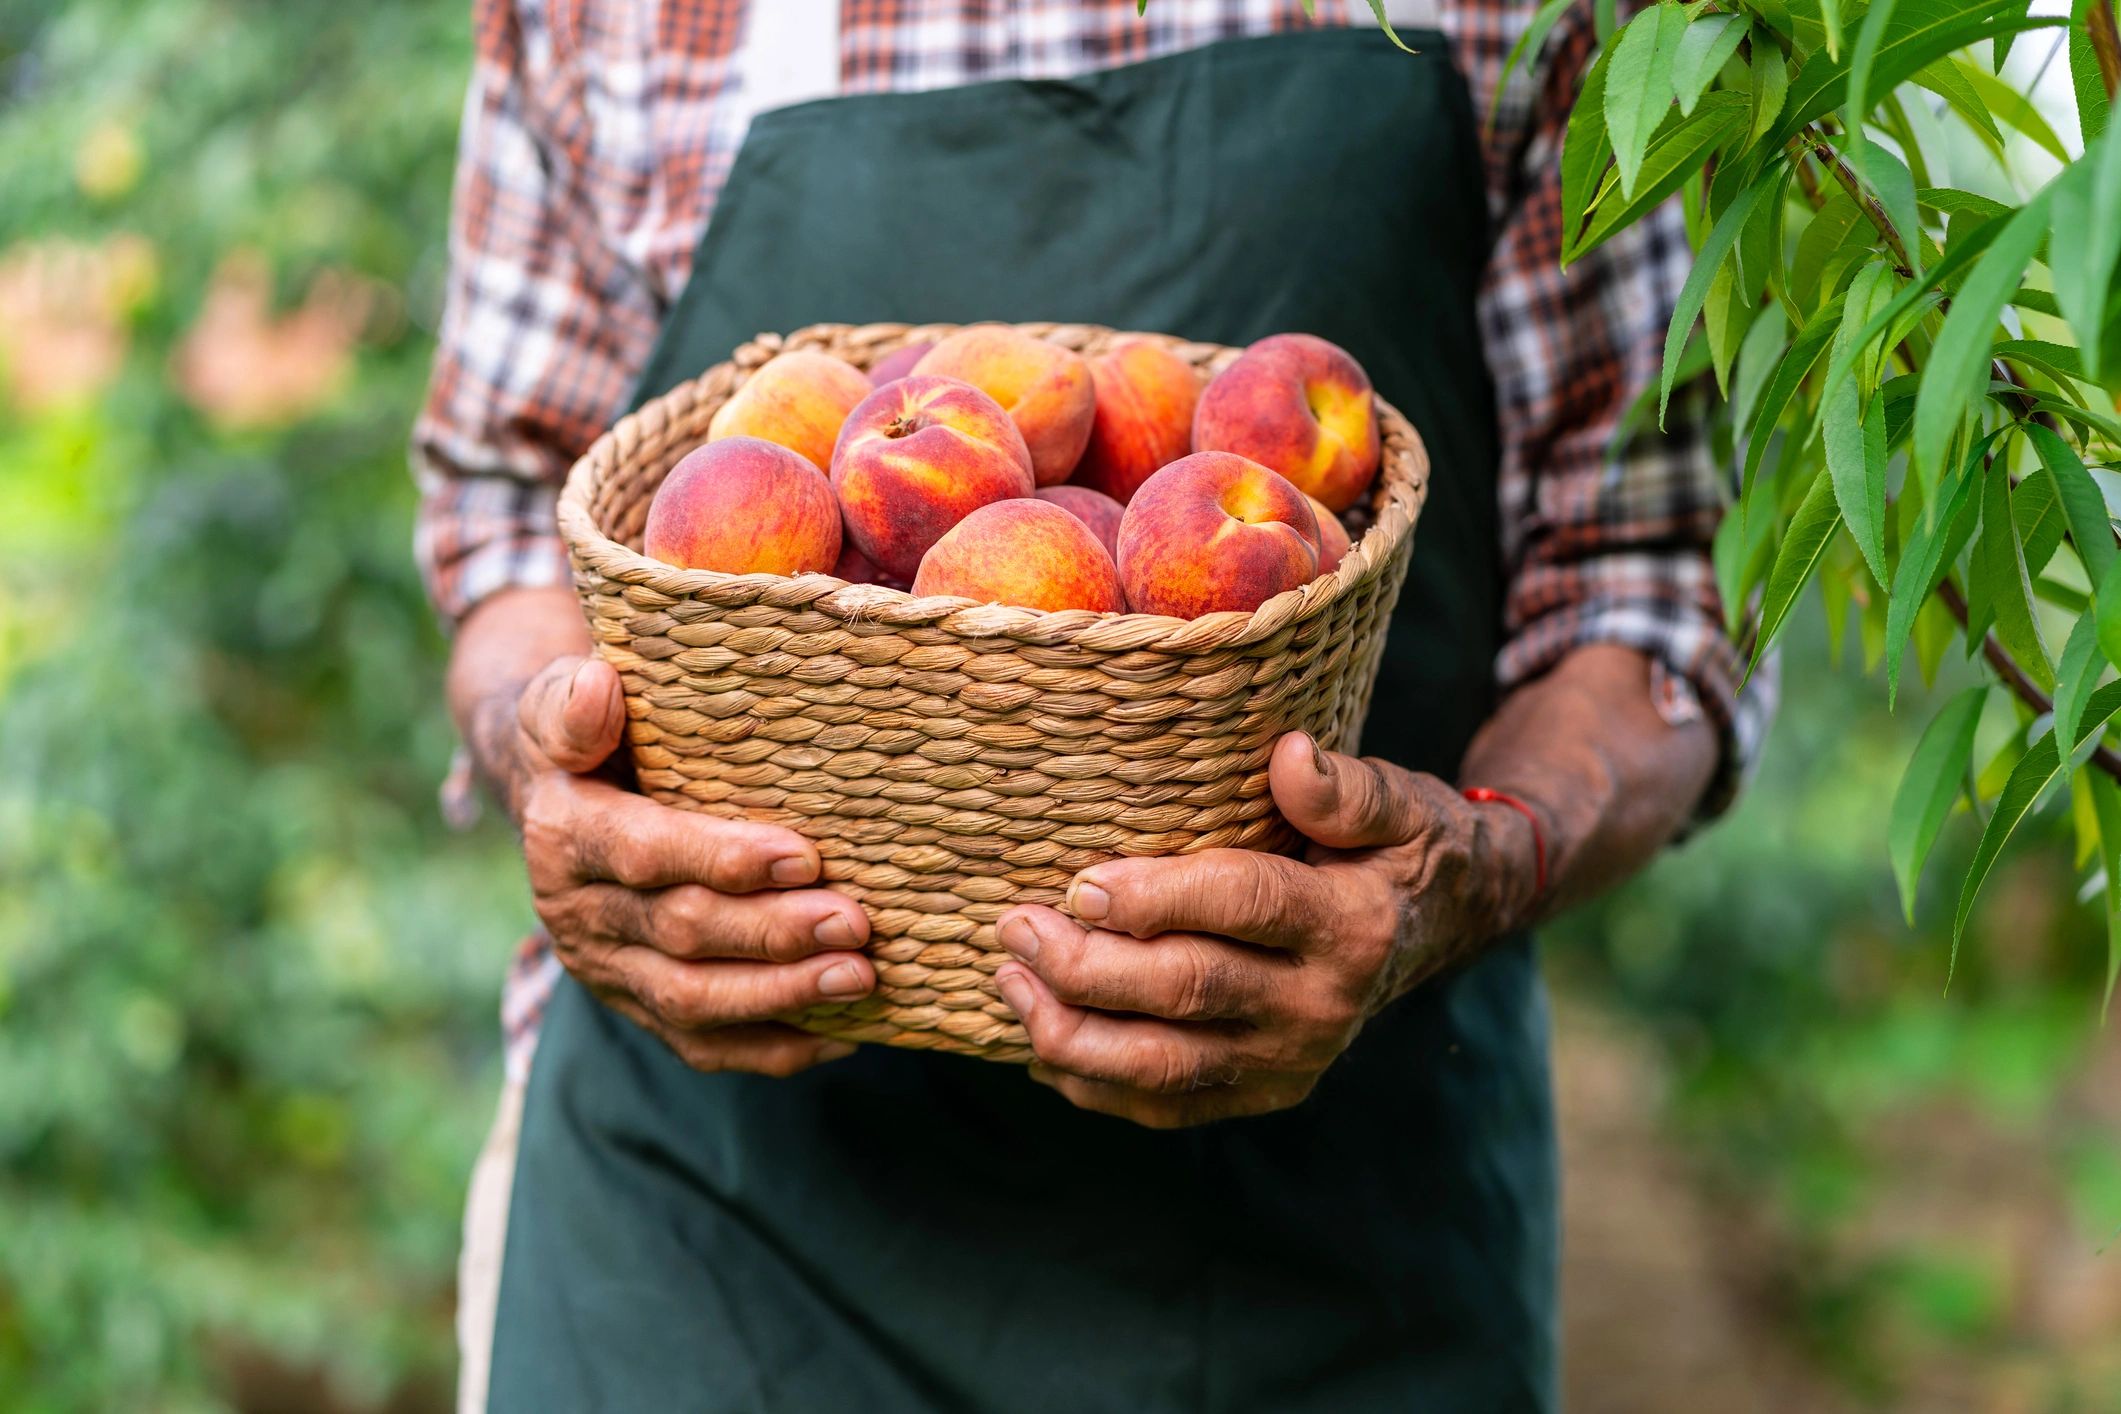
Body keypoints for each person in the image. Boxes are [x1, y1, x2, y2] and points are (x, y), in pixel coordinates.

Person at [415, 0, 1773, 1408]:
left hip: (1334, 1235)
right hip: (705, 1227)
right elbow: (508, 519)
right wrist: (551, 765)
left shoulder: (1558, 16)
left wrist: (1478, 859)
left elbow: (1647, 577)